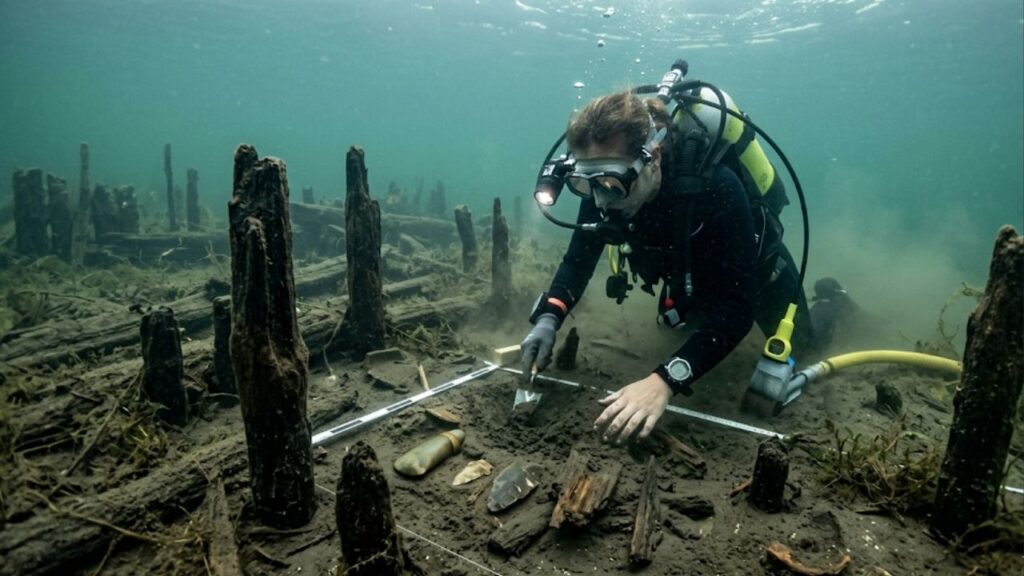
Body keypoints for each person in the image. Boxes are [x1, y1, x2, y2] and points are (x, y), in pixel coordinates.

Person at [520, 87, 847, 445]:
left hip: (756, 277)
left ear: (653, 157)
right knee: (682, 327)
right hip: (686, 278)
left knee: (807, 346)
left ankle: (834, 301)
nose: (601, 199)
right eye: (586, 184)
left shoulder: (715, 187)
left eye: (613, 183)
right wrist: (550, 318)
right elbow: (577, 262)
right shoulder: (605, 185)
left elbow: (738, 309)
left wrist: (664, 381)